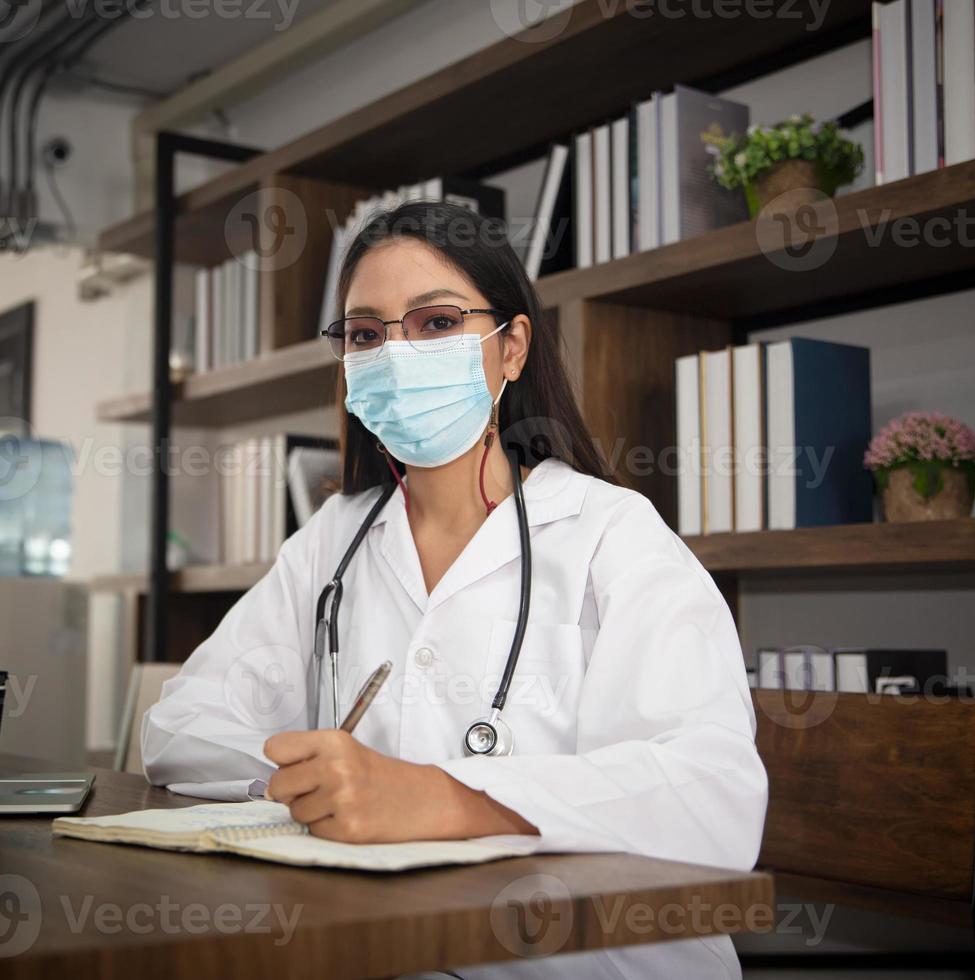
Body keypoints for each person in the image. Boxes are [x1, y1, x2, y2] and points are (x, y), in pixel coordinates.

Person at [142, 201, 767, 978]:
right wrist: (312, 784)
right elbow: (177, 730)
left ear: (512, 348)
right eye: (367, 334)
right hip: (381, 947)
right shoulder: (334, 538)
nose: (395, 355)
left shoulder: (612, 532)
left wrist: (442, 798)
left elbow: (715, 792)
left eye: (435, 323)